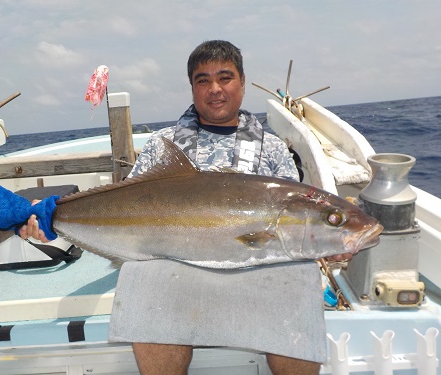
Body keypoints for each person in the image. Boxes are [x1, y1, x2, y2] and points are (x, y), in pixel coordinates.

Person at [21, 40, 350, 374]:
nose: (215, 89)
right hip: (174, 267)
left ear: (242, 83)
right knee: (144, 283)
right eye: (202, 80)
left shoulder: (274, 149)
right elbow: (124, 207)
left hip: (256, 271)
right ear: (192, 87)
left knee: (298, 285)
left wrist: (328, 244)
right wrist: (55, 223)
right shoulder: (165, 144)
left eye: (225, 78)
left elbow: (294, 228)